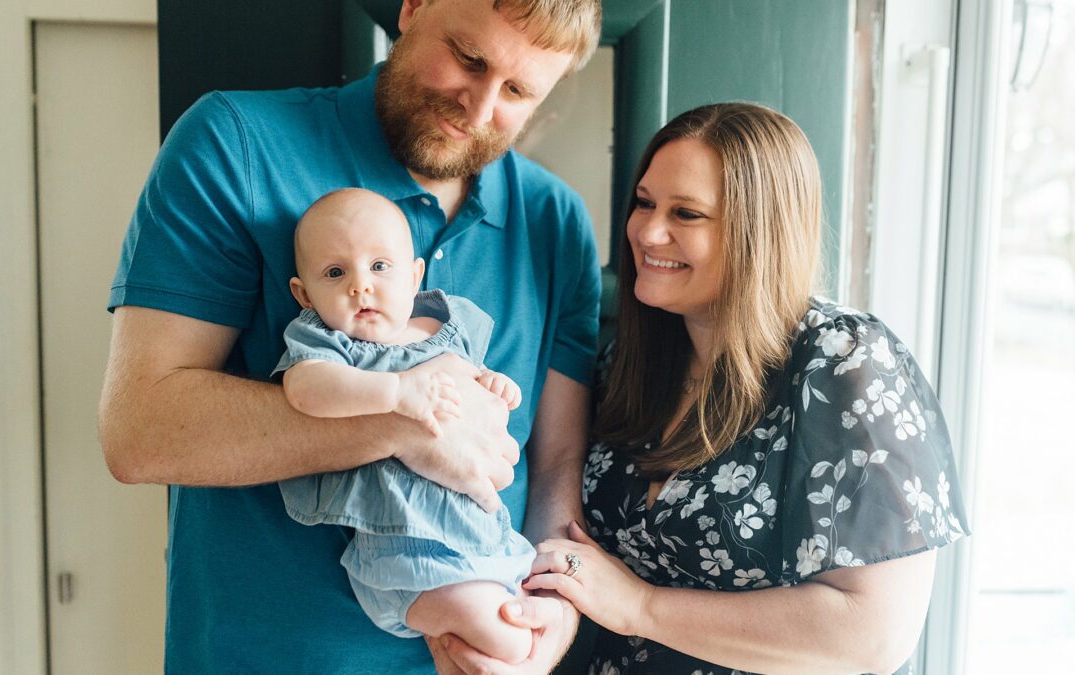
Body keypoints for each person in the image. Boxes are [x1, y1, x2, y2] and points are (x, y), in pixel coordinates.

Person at [97, 0, 604, 672]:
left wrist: (553, 623)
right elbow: (139, 429)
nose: (477, 110)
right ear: (415, 6)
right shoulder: (236, 145)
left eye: (515, 91)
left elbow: (556, 465)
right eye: (467, 58)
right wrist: (409, 419)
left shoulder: (556, 222)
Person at [522, 103, 970, 674]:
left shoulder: (845, 362)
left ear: (759, 232)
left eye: (686, 213)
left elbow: (874, 634)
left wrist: (643, 606)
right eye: (644, 203)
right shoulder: (631, 362)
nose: (647, 232)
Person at [274, 187, 534, 663]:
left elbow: (473, 378)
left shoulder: (449, 326)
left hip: (484, 539)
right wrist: (396, 393)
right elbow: (305, 389)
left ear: (415, 276)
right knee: (511, 642)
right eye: (336, 273)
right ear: (304, 294)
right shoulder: (331, 344)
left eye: (379, 267)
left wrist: (493, 383)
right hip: (405, 554)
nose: (360, 286)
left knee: (506, 639)